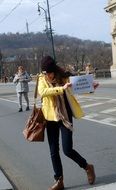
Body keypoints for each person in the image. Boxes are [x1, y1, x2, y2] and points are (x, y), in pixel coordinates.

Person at [38, 56, 96, 190]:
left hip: (65, 115)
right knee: (53, 151)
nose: (47, 75)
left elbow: (77, 87)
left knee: (67, 149)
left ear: (54, 71)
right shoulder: (42, 79)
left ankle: (87, 167)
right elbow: (43, 92)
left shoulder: (63, 77)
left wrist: (91, 87)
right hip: (50, 117)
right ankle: (59, 181)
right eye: (45, 73)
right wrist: (61, 89)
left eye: (49, 73)